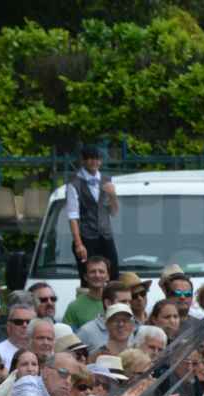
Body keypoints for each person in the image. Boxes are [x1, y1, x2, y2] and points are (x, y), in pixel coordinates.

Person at [67, 144, 119, 282]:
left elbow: (113, 212)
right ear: (83, 161)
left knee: (113, 276)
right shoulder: (74, 183)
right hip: (86, 237)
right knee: (88, 278)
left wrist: (113, 196)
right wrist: (78, 244)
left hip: (106, 235)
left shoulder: (107, 180)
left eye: (96, 159)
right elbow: (73, 216)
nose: (94, 162)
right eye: (90, 158)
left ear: (100, 161)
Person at [77, 281, 132, 353]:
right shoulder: (86, 332)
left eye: (129, 302)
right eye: (123, 302)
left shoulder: (132, 328)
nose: (128, 306)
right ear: (108, 303)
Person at [62, 256, 110, 330]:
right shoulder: (74, 307)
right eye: (92, 272)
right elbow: (68, 338)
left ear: (108, 276)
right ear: (85, 277)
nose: (97, 275)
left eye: (101, 271)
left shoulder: (117, 302)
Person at [0, 293, 35, 369]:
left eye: (29, 322)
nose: (25, 325)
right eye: (18, 322)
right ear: (8, 327)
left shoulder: (38, 349)